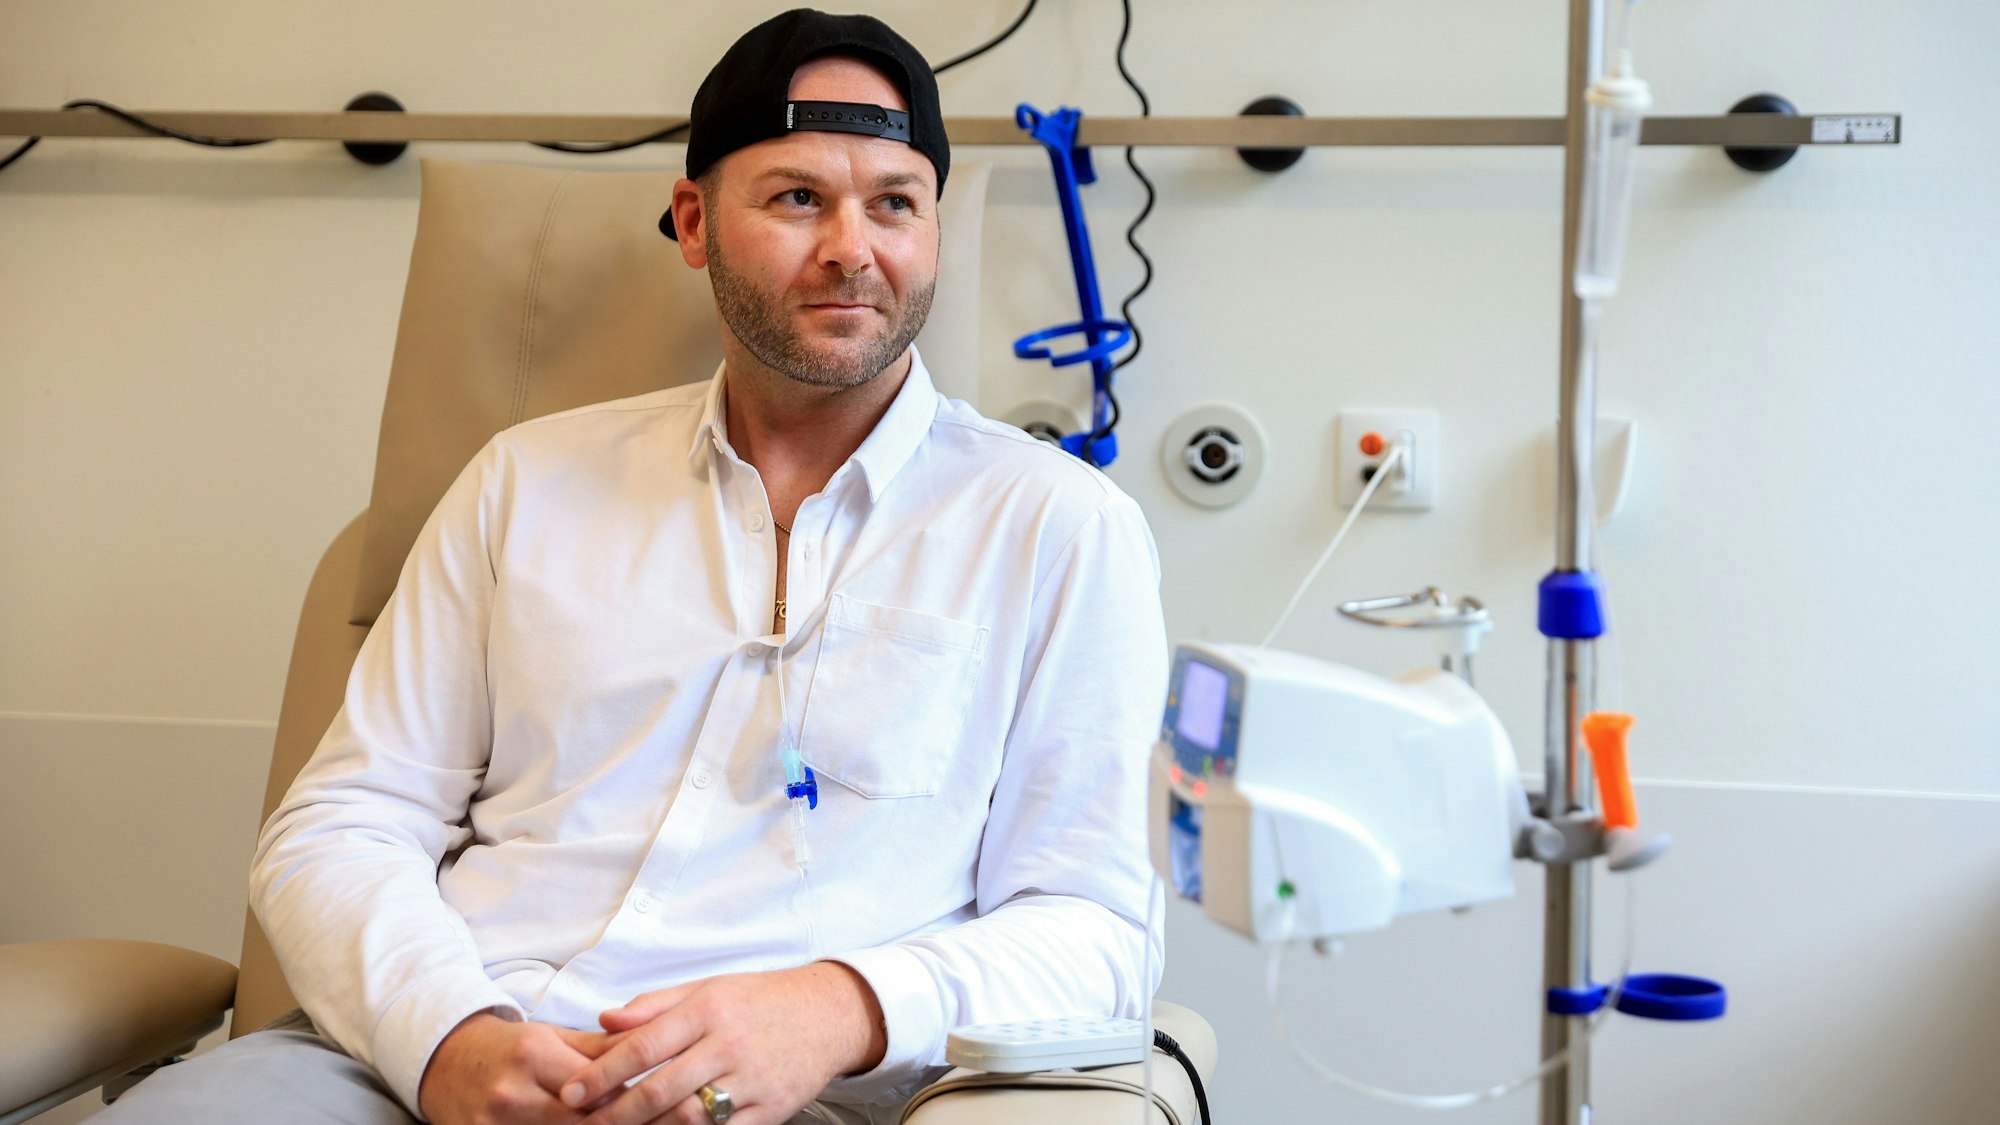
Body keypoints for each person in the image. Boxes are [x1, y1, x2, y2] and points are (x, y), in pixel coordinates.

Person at [96, 9, 1166, 1125]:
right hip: (419, 1064)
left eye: (894, 203)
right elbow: (341, 827)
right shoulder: (525, 482)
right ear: (694, 222)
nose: (852, 247)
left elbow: (1100, 931)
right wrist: (447, 1040)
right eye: (798, 198)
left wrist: (839, 1008)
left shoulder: (1056, 529)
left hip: (780, 1099)